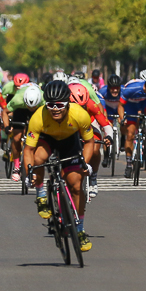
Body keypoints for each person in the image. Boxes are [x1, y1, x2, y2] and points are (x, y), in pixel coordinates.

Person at [24, 80, 95, 252]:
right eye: (50, 105)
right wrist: (29, 174)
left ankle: (79, 229)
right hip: (47, 139)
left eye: (59, 105)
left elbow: (89, 141)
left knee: (76, 186)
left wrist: (86, 163)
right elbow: (28, 149)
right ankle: (41, 196)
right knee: (38, 159)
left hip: (70, 142)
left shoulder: (79, 115)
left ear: (68, 104)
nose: (55, 109)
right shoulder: (38, 117)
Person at [69, 82, 113, 199]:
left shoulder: (91, 104)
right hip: (71, 126)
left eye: (83, 106)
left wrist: (109, 136)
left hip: (90, 124)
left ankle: (93, 178)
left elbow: (104, 123)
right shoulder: (63, 107)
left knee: (94, 149)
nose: (81, 109)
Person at [117, 71, 146, 177]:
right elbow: (120, 106)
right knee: (130, 134)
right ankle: (129, 164)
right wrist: (122, 118)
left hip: (144, 102)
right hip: (130, 104)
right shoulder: (131, 89)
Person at [6, 83, 43, 181]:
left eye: (32, 106)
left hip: (38, 109)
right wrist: (7, 127)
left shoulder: (43, 100)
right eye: (29, 106)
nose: (30, 108)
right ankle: (17, 167)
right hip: (21, 109)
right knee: (17, 138)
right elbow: (4, 112)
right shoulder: (17, 99)